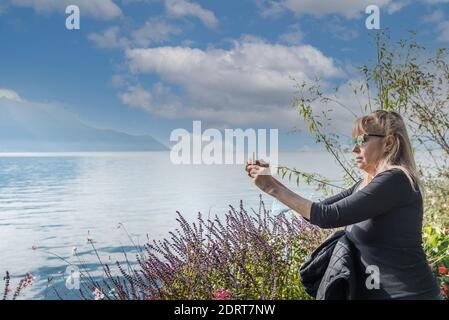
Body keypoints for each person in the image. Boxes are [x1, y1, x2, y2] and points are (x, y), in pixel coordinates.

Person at [245, 110, 442, 299]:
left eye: (362, 140)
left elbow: (327, 216)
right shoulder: (367, 184)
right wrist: (270, 181)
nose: (355, 148)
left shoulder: (396, 180)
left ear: (389, 143)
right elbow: (316, 211)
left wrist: (272, 188)